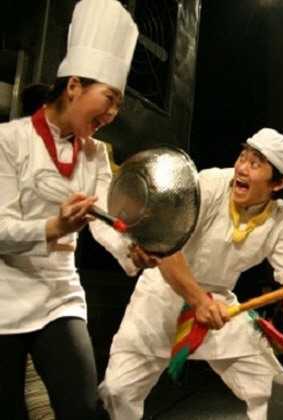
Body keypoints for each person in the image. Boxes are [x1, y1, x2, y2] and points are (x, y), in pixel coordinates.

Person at [98, 127, 283, 420]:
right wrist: (198, 300)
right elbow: (165, 245)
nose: (242, 168)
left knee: (272, 392)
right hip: (161, 294)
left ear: (278, 183)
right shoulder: (210, 185)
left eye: (255, 164)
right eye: (243, 157)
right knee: (117, 392)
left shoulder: (282, 220)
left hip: (219, 304)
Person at [0, 0, 139, 418]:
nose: (111, 113)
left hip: (59, 293)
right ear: (74, 86)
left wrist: (132, 250)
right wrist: (55, 226)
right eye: (108, 99)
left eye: (118, 104)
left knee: (83, 408)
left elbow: (108, 221)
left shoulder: (95, 155)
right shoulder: (10, 140)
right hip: (4, 293)